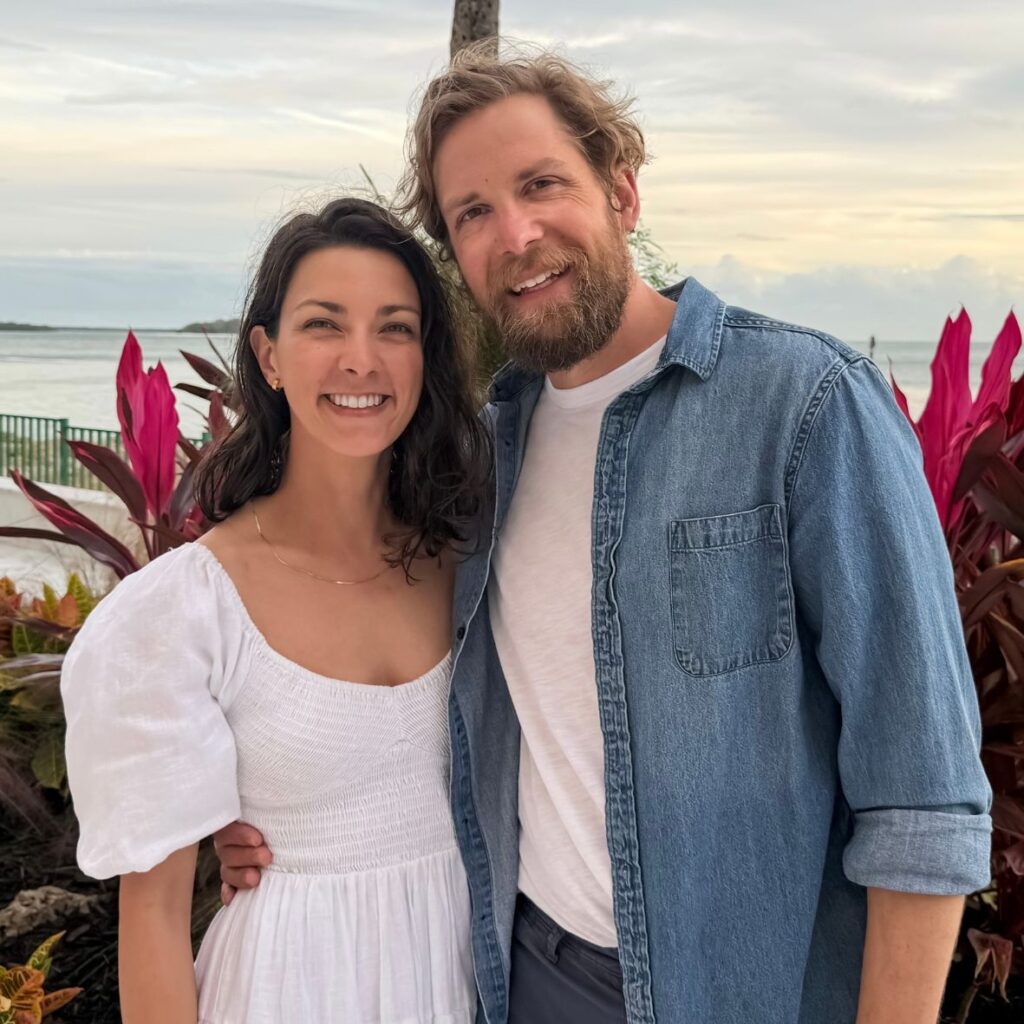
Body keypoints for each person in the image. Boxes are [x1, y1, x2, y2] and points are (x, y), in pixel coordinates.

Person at [215, 46, 993, 1024]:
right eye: (473, 213)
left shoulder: (806, 406)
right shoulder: (483, 461)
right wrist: (249, 811)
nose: (516, 234)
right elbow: (369, 653)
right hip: (531, 979)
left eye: (541, 184)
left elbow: (923, 796)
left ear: (621, 192)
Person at [60, 197, 490, 1024]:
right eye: (324, 324)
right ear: (269, 356)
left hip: (465, 979)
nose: (361, 360)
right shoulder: (182, 611)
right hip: (284, 988)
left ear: (424, 356)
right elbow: (152, 918)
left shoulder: (471, 561)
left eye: (395, 328)